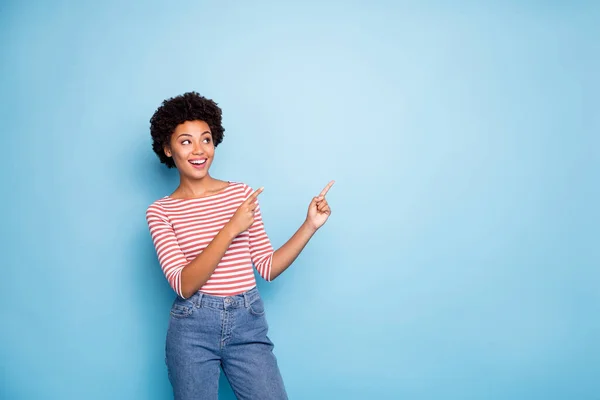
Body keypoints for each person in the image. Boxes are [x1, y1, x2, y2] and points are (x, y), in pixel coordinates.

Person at [145, 91, 334, 399]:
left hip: (248, 323)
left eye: (206, 139)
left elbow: (268, 268)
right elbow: (183, 284)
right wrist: (231, 228)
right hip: (192, 328)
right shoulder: (161, 211)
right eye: (185, 141)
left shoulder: (240, 195)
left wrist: (310, 225)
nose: (199, 150)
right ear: (167, 149)